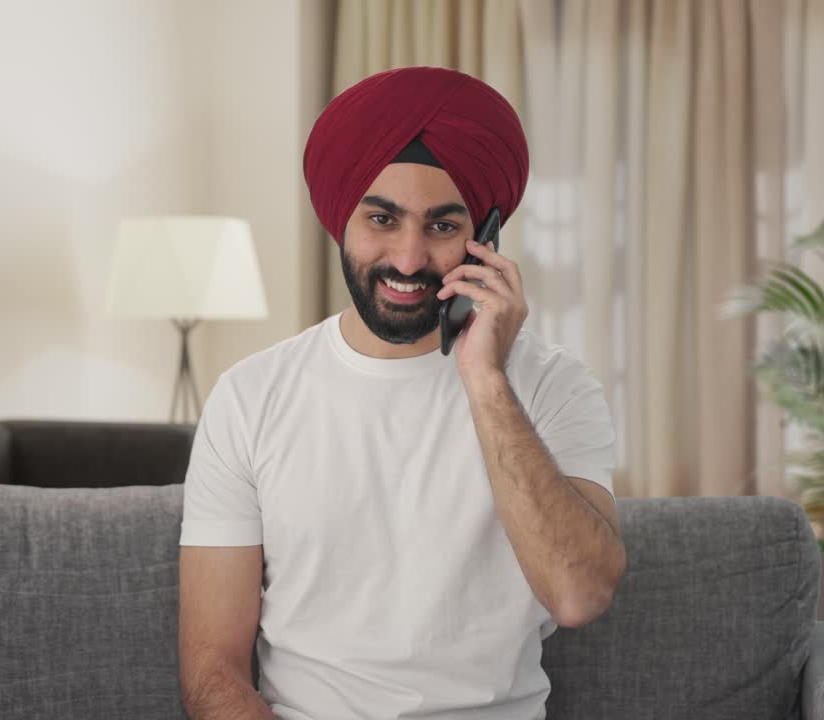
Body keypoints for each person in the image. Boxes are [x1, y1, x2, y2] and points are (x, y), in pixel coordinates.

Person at [178, 65, 626, 720]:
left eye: (443, 227)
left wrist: (485, 379)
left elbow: (579, 594)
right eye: (383, 218)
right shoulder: (249, 398)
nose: (410, 258)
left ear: (486, 238)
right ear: (341, 219)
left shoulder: (556, 388)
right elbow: (212, 674)